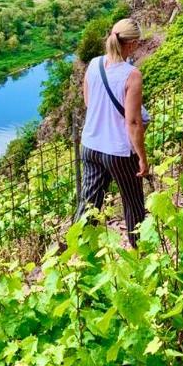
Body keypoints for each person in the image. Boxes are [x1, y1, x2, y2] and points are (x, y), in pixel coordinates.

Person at [75, 18, 149, 247]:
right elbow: (134, 122)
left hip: (90, 145)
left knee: (89, 204)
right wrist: (143, 158)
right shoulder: (131, 74)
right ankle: (140, 251)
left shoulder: (94, 64)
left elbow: (88, 102)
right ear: (133, 43)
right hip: (118, 150)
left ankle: (77, 253)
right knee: (133, 202)